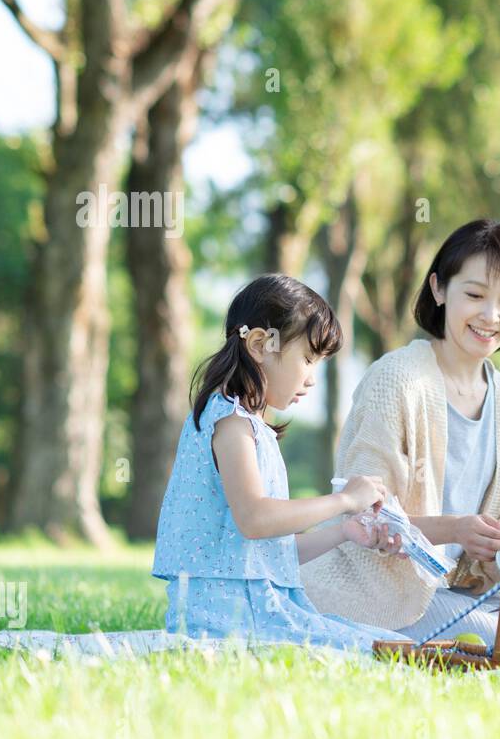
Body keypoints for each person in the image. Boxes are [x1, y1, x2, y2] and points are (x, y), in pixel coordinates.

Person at [301, 219, 500, 645]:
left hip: (462, 596)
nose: (490, 316)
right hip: (379, 593)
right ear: (439, 289)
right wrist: (454, 529)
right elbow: (365, 516)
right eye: (475, 294)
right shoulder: (396, 379)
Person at [151, 274, 411, 652]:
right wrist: (344, 500)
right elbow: (256, 520)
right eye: (307, 359)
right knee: (376, 649)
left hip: (257, 612)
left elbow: (266, 553)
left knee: (385, 642)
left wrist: (343, 532)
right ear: (259, 344)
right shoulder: (231, 423)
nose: (311, 379)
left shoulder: (251, 427)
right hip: (230, 620)